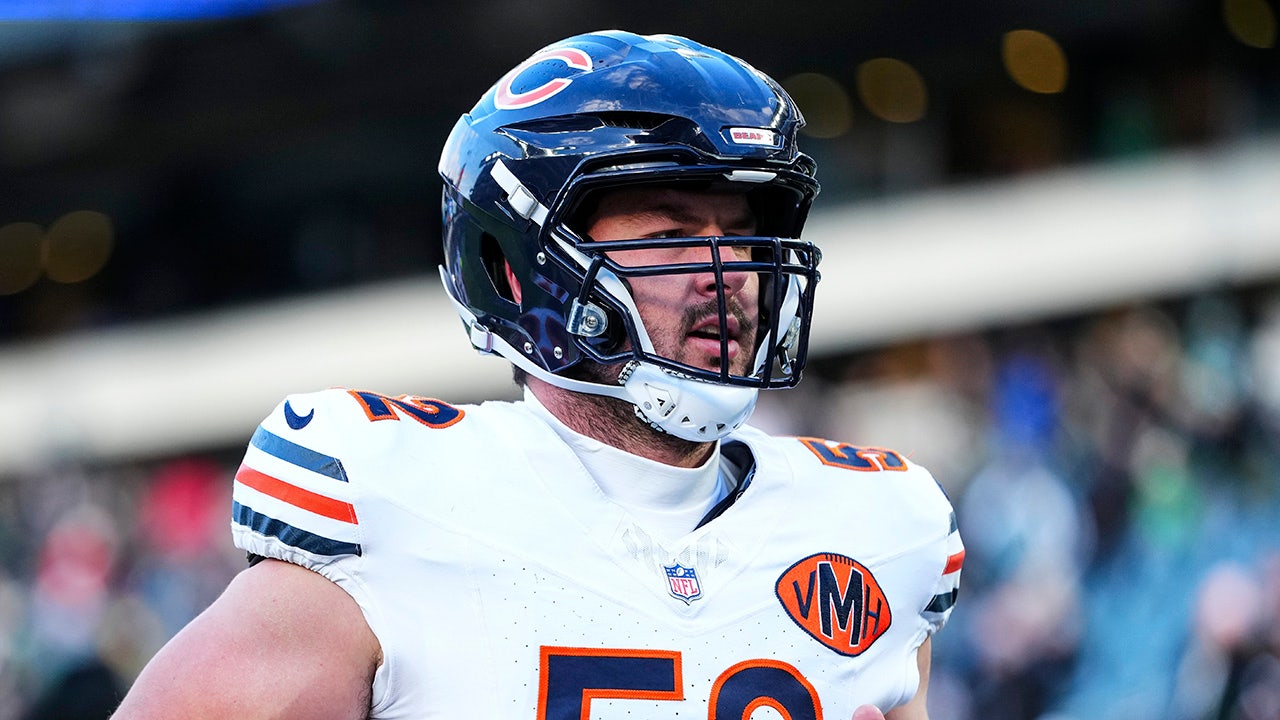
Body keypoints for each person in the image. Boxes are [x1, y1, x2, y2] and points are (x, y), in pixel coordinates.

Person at [110, 30, 963, 720]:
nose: (727, 271)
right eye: (670, 233)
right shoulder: (390, 500)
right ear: (516, 270)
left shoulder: (882, 527)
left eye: (740, 234)